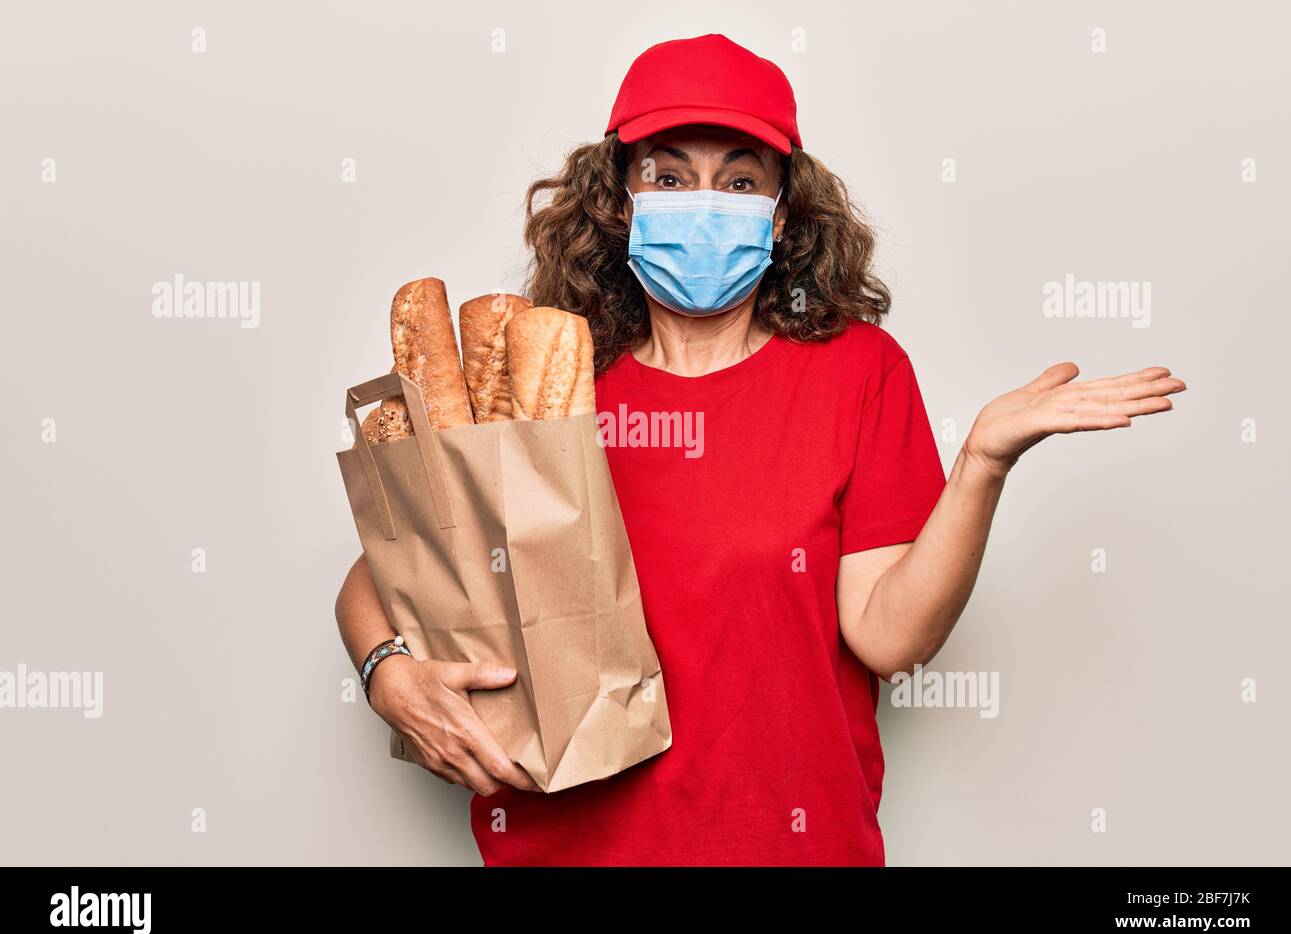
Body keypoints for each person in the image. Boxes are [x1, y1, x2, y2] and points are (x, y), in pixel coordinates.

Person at [334, 34, 1186, 865]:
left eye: (738, 180)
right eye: (669, 175)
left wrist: (982, 465)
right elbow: (388, 573)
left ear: (781, 217)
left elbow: (888, 638)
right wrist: (386, 677)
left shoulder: (860, 374)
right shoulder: (550, 381)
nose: (702, 202)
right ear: (622, 200)